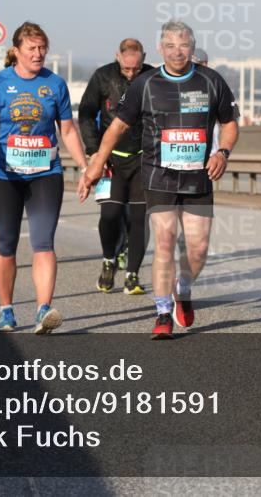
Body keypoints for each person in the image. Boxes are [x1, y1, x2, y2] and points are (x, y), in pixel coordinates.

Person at [79, 20, 238, 339]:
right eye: (170, 46)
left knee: (198, 247)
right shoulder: (146, 83)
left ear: (192, 48)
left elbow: (230, 123)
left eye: (183, 46)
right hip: (158, 176)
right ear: (161, 49)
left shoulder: (211, 81)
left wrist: (222, 152)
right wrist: (95, 164)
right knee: (164, 242)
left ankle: (183, 288)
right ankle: (163, 311)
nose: (177, 52)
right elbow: (118, 127)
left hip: (198, 178)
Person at [0, 21, 88, 334]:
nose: (38, 54)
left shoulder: (55, 84)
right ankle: (6, 310)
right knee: (6, 242)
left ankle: (43, 310)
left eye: (42, 48)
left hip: (45, 173)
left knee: (43, 241)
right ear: (16, 51)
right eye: (32, 49)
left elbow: (67, 130)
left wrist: (85, 166)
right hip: (4, 174)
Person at [78, 37, 153, 295]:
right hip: (111, 158)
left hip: (144, 158)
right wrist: (94, 151)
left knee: (138, 218)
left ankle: (132, 275)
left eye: (136, 69)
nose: (131, 74)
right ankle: (108, 259)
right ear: (118, 57)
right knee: (109, 216)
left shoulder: (153, 77)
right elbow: (86, 115)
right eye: (126, 69)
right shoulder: (102, 76)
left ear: (143, 58)